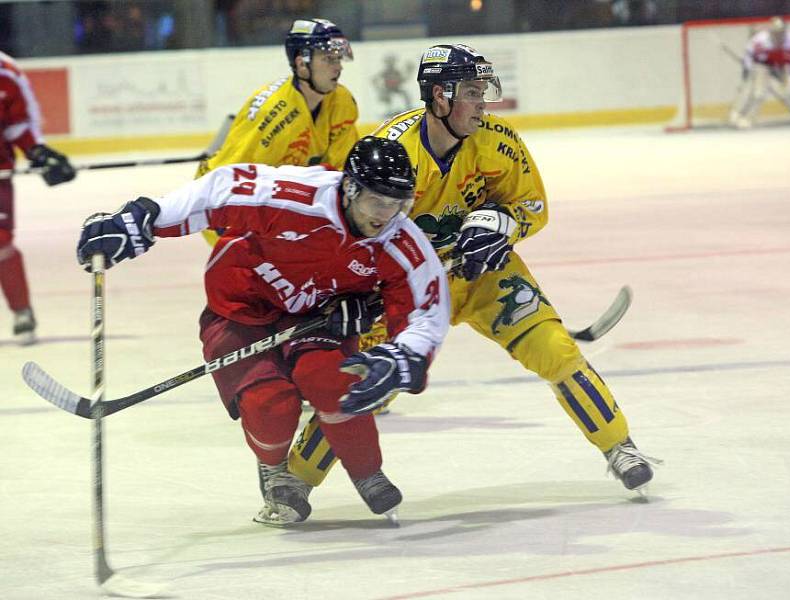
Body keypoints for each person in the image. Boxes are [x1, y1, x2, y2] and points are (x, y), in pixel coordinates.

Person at [288, 43, 660, 494]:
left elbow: (533, 205)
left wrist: (505, 222)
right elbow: (355, 228)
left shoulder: (496, 141)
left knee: (556, 350)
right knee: (368, 378)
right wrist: (353, 289)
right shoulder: (394, 151)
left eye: (482, 89)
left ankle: (619, 445)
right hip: (409, 290)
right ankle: (294, 482)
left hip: (484, 275)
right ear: (440, 96)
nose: (482, 101)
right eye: (471, 91)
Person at [75, 136, 450, 525]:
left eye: (398, 204)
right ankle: (273, 467)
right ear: (351, 188)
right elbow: (222, 189)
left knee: (338, 383)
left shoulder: (397, 237)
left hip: (317, 313)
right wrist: (145, 219)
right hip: (243, 302)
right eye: (378, 201)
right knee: (269, 404)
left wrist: (407, 353)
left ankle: (367, 469)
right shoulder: (298, 196)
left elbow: (427, 305)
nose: (387, 215)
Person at [197, 17, 360, 247]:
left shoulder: (341, 101)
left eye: (338, 59)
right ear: (302, 64)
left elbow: (341, 172)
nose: (338, 66)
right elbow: (228, 183)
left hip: (282, 199)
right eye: (328, 59)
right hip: (222, 206)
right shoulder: (272, 115)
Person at [0, 51, 75, 344]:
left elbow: (20, 124)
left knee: (0, 241)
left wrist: (38, 152)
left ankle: (21, 311)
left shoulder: (5, 70)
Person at [729, 16, 790, 129]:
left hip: (782, 66)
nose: (778, 35)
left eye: (780, 32)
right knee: (758, 93)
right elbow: (748, 55)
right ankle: (741, 117)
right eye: (775, 32)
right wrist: (746, 71)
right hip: (762, 66)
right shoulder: (759, 40)